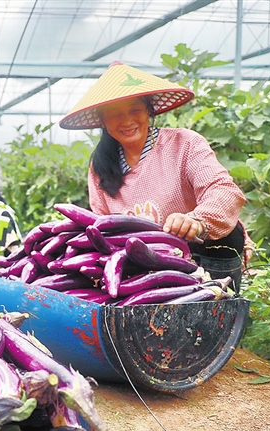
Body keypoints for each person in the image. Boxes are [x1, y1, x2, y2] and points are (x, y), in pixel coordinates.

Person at [59, 61, 252, 291]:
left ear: (149, 110)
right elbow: (103, 230)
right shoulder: (100, 166)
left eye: (135, 110)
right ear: (103, 121)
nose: (127, 120)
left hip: (207, 254)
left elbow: (224, 191)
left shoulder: (184, 144)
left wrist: (196, 220)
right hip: (144, 266)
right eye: (115, 114)